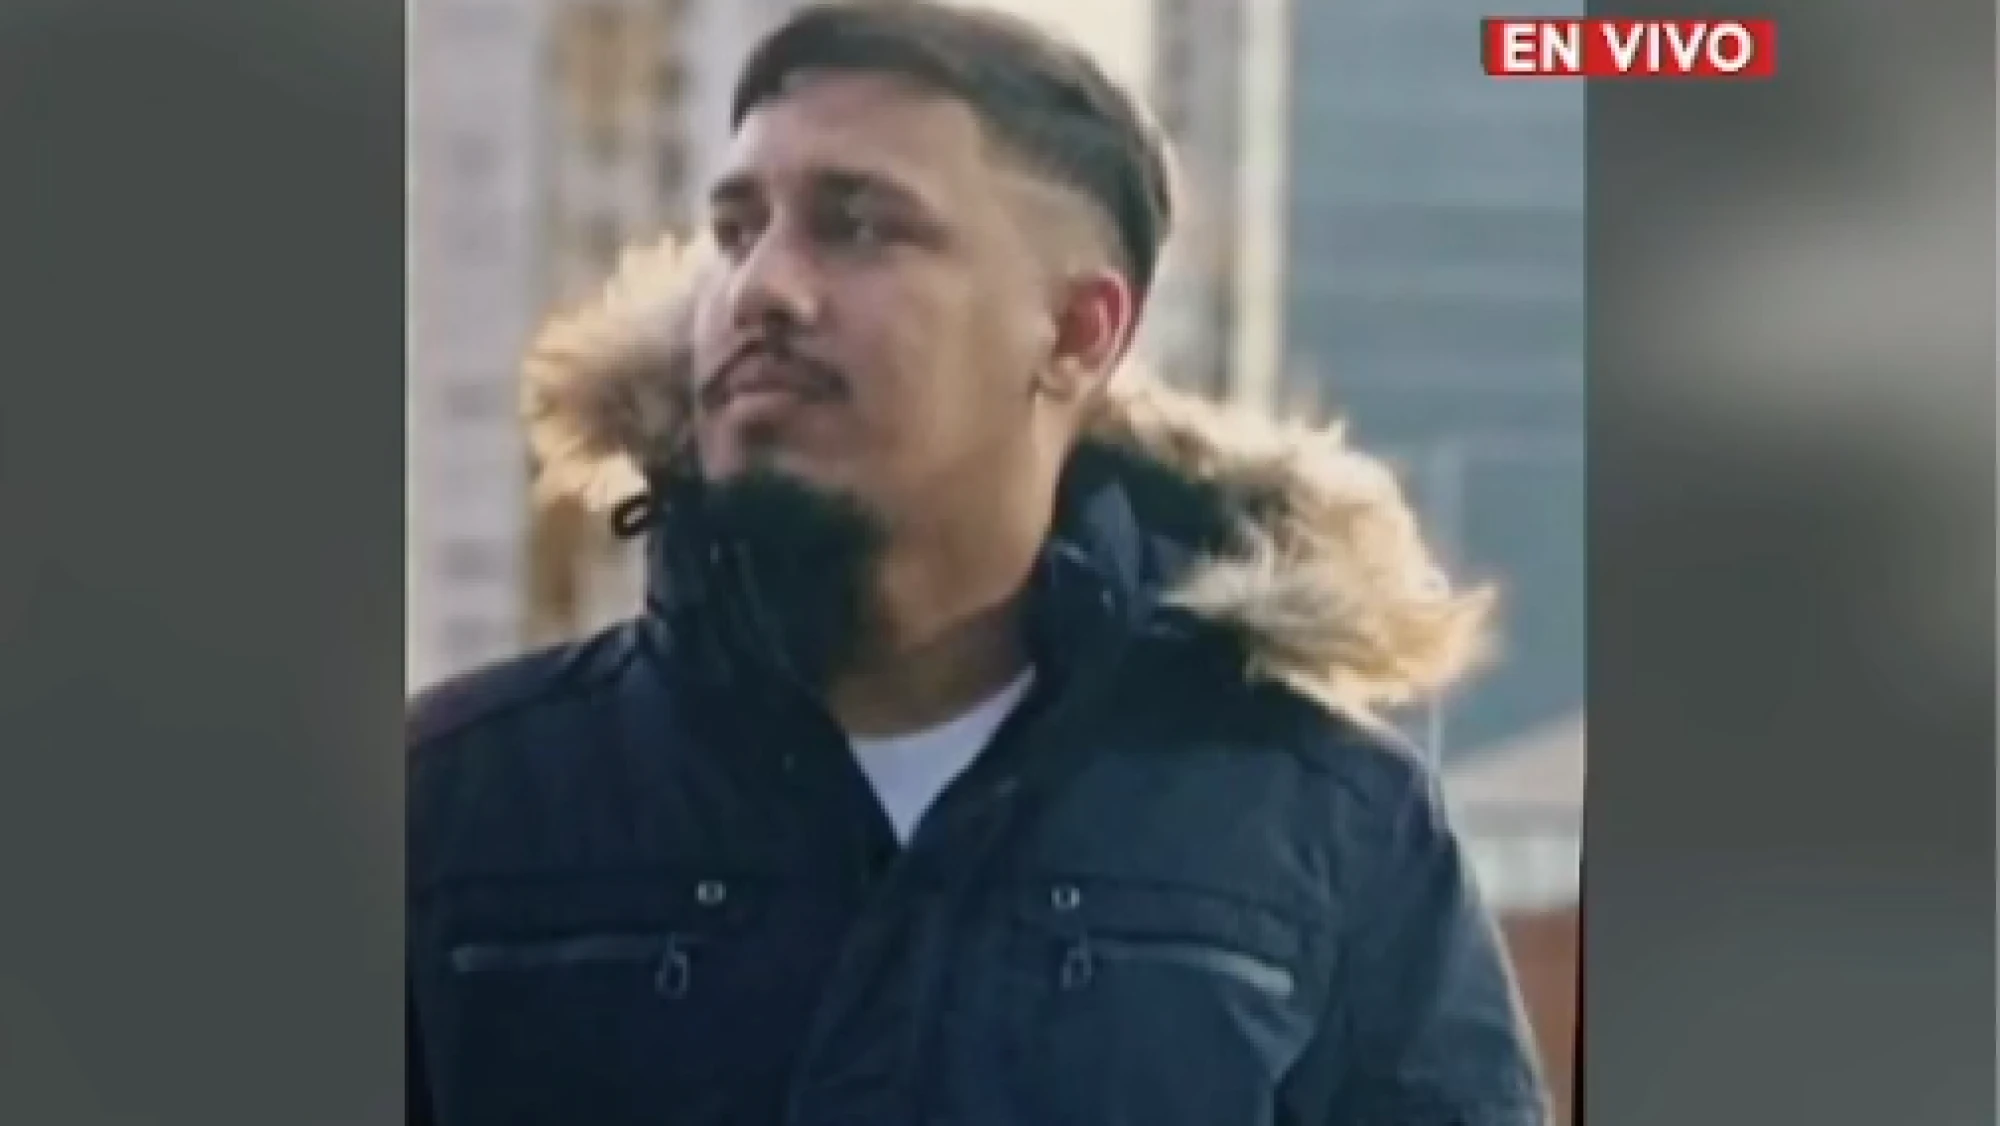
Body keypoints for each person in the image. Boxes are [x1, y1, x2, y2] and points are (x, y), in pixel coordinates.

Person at [407, 3, 1550, 1123]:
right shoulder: (459, 795)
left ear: (1077, 332)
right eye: (736, 230)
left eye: (859, 225)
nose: (760, 290)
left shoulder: (1326, 824)